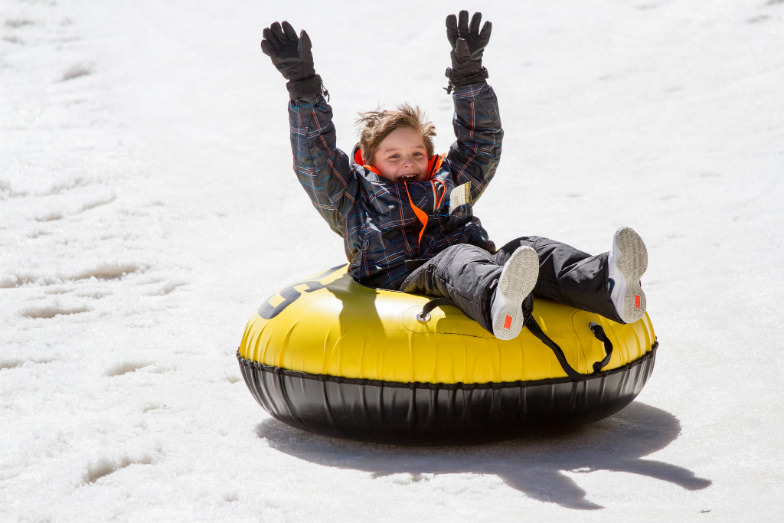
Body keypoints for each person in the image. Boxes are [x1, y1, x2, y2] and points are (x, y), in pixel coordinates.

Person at [260, 11, 648, 341]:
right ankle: (501, 301)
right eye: (394, 156)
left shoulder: (449, 183)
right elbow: (315, 159)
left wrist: (469, 78)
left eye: (416, 153)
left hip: (471, 264)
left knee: (528, 247)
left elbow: (482, 142)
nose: (408, 161)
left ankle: (607, 283)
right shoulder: (353, 199)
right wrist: (303, 86)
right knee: (456, 257)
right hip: (406, 281)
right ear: (371, 161)